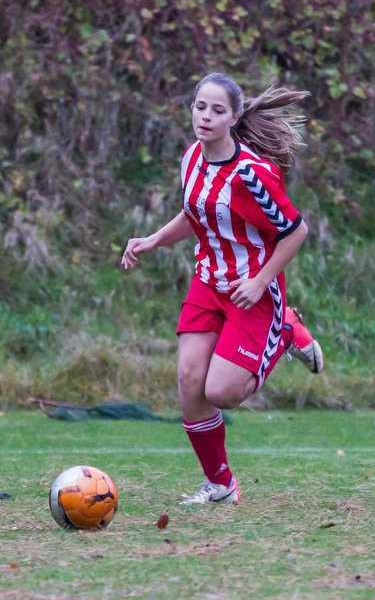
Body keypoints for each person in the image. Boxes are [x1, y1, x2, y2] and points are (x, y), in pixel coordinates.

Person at [120, 72, 324, 505]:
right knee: (189, 381)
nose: (206, 117)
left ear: (233, 118)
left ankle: (286, 329)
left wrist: (260, 281)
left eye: (217, 110)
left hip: (251, 291)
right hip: (207, 283)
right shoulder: (192, 158)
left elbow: (296, 231)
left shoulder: (254, 175)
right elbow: (195, 214)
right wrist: (153, 239)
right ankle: (220, 485)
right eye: (200, 107)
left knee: (222, 393)